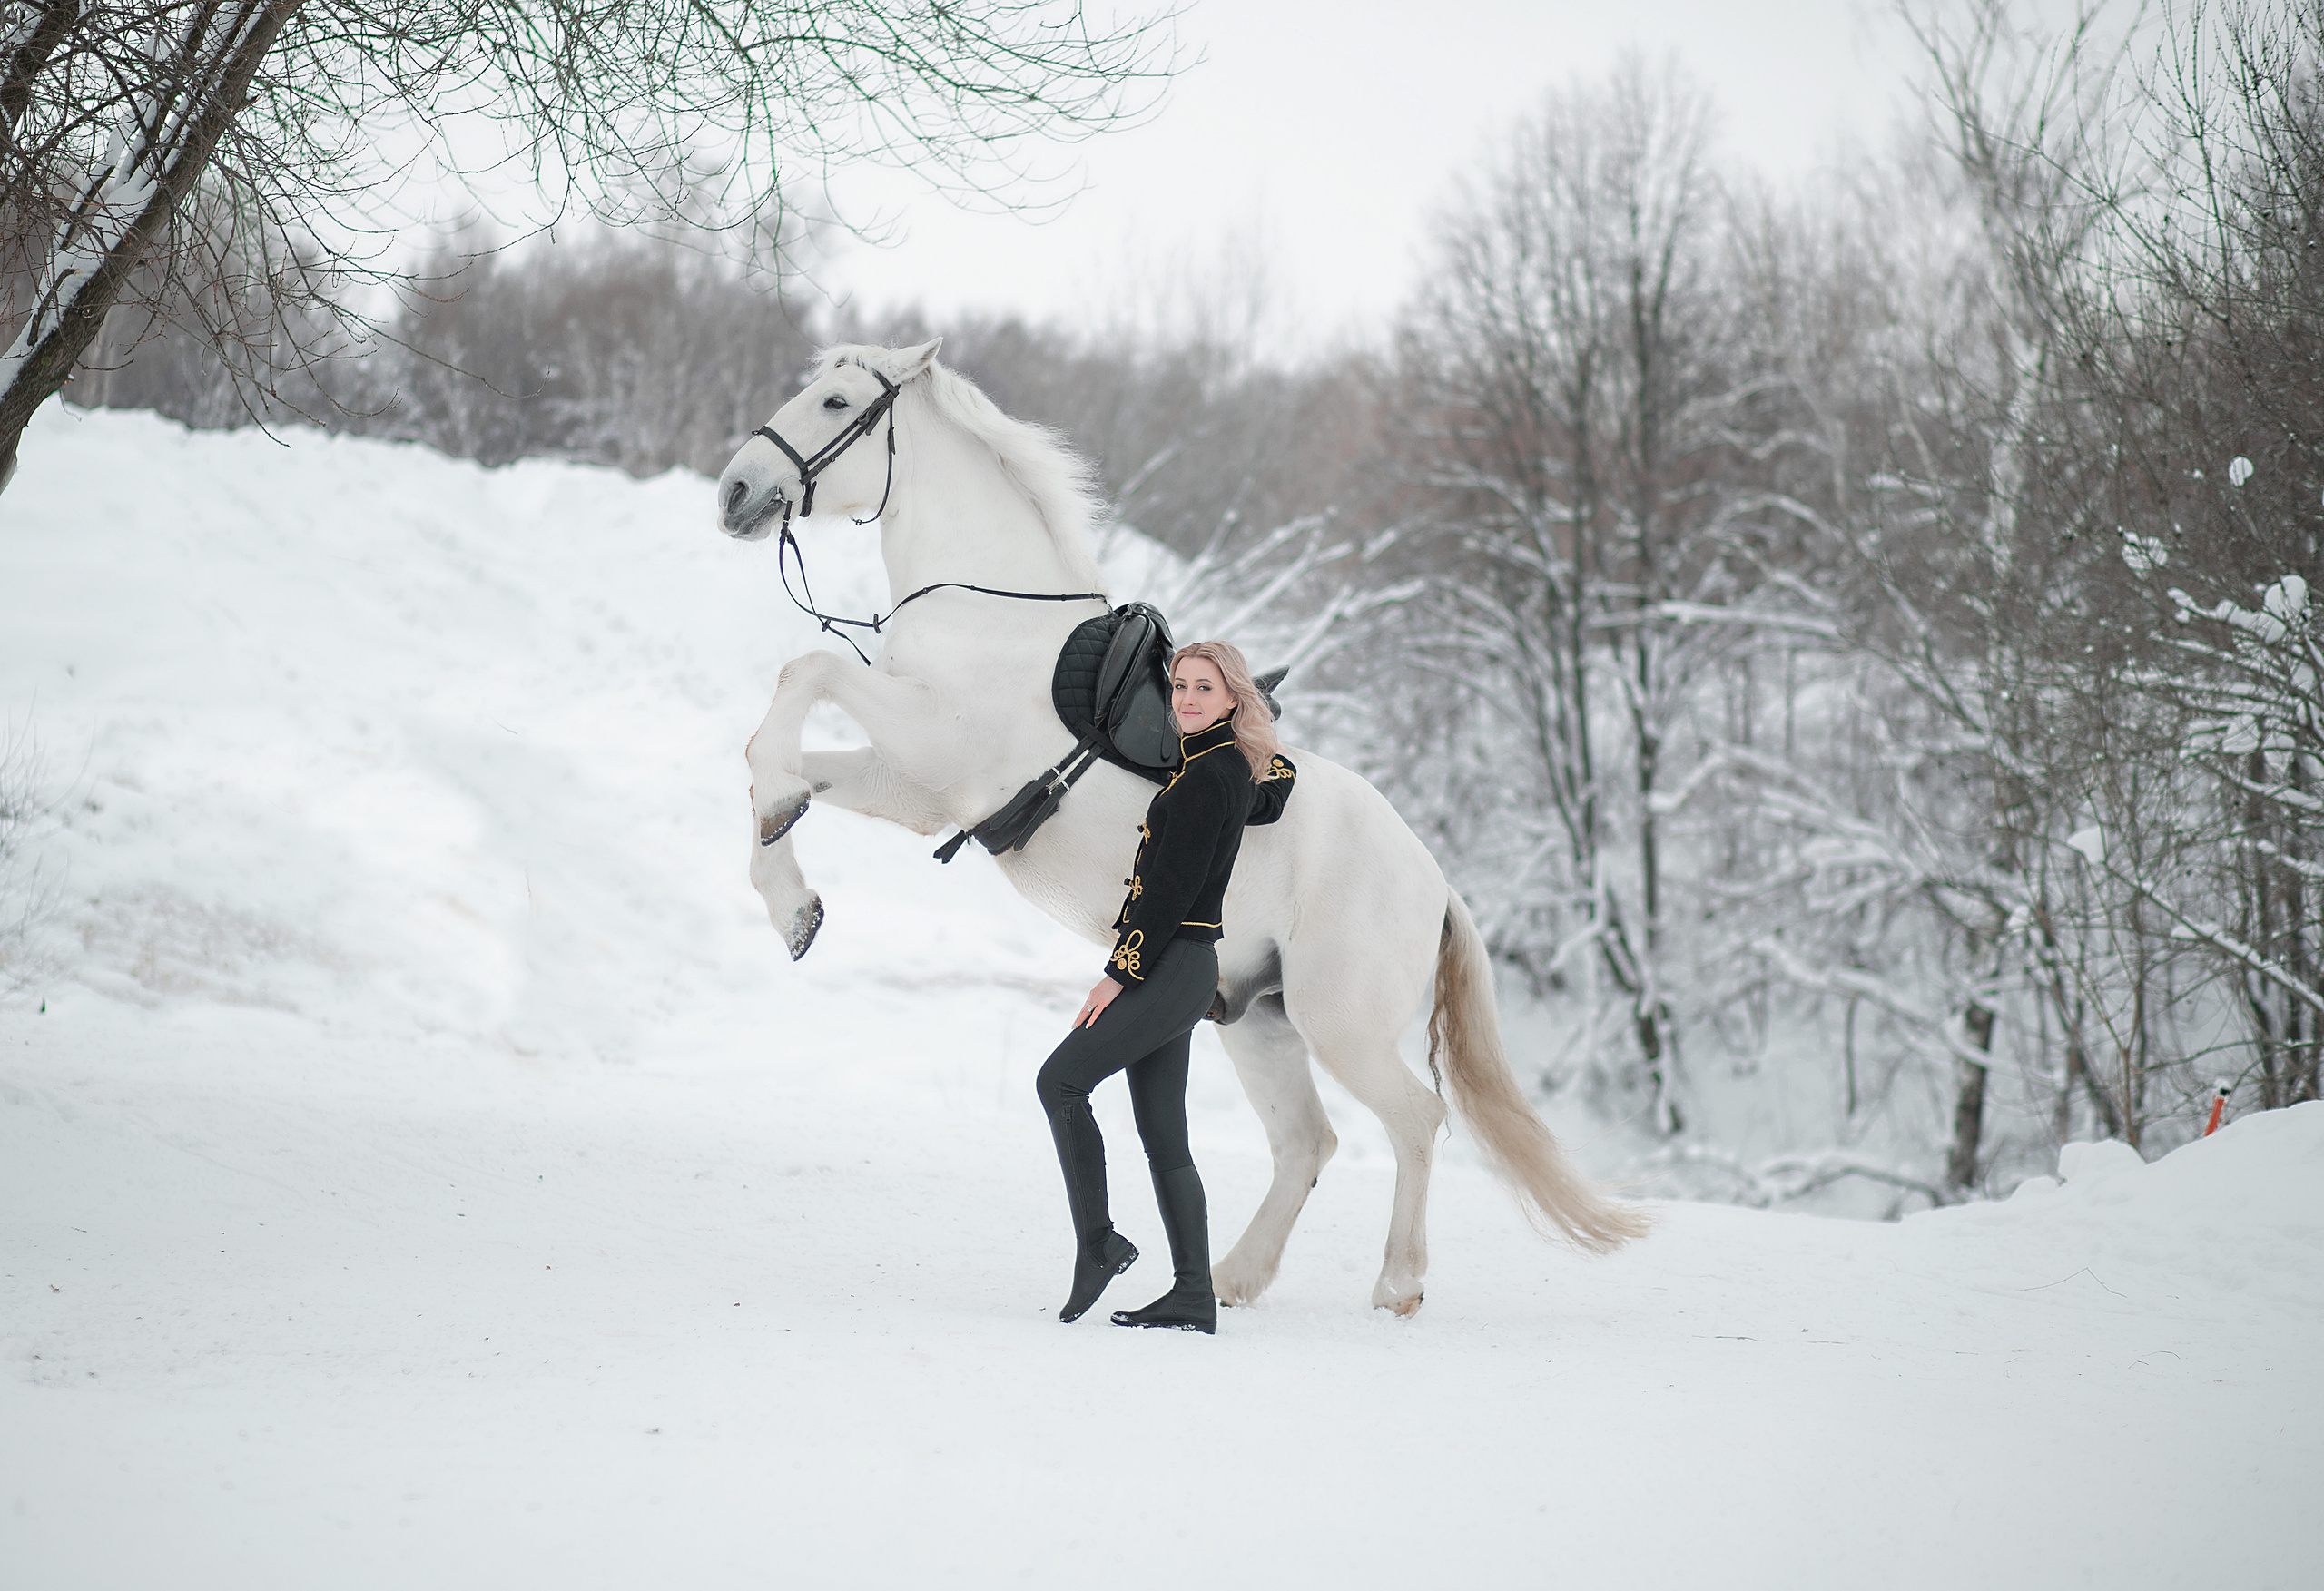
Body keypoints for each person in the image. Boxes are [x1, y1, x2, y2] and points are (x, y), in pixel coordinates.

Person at [1036, 640, 1297, 1333]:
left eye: (1203, 688)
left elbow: (1167, 895)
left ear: (1232, 698)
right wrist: (1278, 750)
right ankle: (1190, 1292)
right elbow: (1272, 795)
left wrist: (1117, 975)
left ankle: (1098, 1245)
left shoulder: (1206, 777)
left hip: (1169, 963)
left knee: (1059, 1083)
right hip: (1186, 966)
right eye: (1178, 685)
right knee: (1164, 1136)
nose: (1184, 698)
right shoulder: (1226, 769)